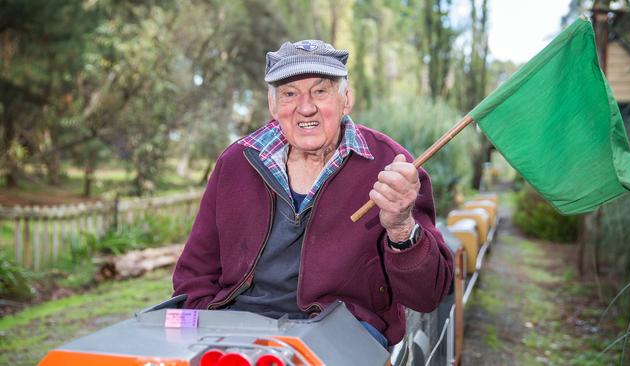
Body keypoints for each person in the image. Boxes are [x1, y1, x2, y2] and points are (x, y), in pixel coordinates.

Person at [172, 39, 454, 348]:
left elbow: (429, 296)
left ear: (346, 99)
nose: (305, 107)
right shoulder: (237, 162)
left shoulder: (392, 166)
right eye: (290, 93)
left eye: (321, 91)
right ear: (272, 103)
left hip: (340, 333)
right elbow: (195, 273)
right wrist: (202, 332)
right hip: (238, 327)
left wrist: (401, 227)